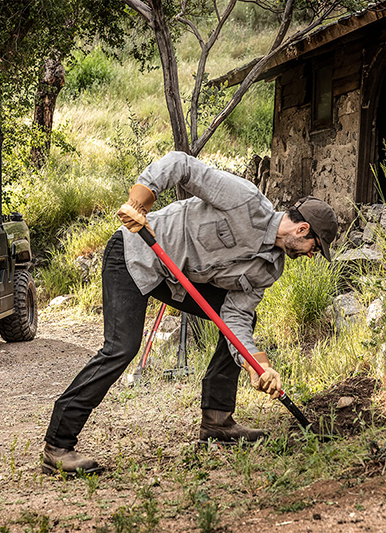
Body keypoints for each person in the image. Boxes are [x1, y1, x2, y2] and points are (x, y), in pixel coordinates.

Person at [42, 151, 338, 475]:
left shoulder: (269, 270)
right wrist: (140, 200)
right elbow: (181, 165)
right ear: (302, 229)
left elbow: (235, 318)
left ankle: (217, 421)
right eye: (316, 248)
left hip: (179, 280)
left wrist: (256, 365)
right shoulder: (246, 202)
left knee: (244, 323)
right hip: (138, 251)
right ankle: (58, 445)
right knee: (121, 348)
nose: (312, 256)